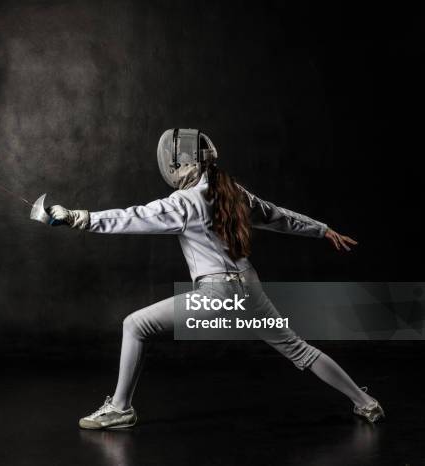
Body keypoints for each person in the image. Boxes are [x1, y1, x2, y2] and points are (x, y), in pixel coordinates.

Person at [48, 128, 384, 429]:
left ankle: (121, 408)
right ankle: (365, 402)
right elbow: (279, 216)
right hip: (248, 285)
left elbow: (135, 216)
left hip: (219, 292)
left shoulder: (186, 201)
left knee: (135, 325)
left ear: (183, 164)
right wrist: (322, 230)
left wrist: (80, 217)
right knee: (299, 350)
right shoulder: (233, 191)